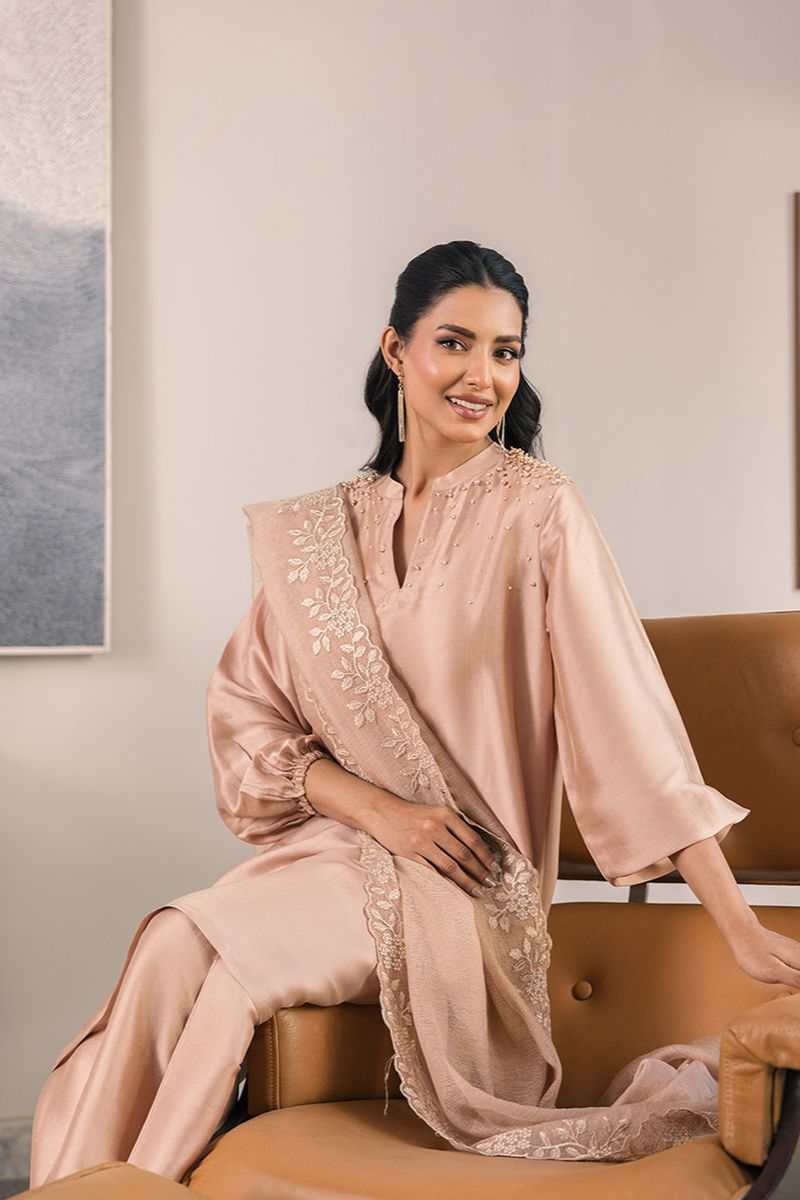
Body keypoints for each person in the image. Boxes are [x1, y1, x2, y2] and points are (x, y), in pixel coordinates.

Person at [29, 239, 800, 1186]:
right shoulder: (319, 533)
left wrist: (738, 923)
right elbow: (250, 720)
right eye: (455, 343)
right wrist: (381, 812)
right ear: (396, 349)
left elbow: (630, 730)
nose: (483, 375)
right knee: (172, 941)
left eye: (506, 351)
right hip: (338, 853)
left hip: (465, 889)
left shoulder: (538, 511)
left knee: (221, 965)